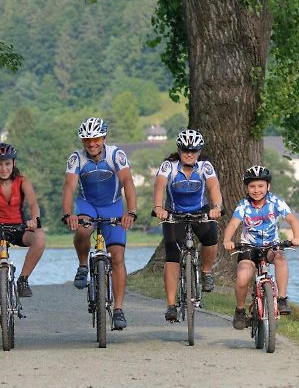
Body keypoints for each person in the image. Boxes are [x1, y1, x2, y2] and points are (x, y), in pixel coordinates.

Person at [62, 117, 137, 330]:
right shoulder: (76, 158)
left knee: (118, 257)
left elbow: (127, 182)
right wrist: (68, 214)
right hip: (87, 205)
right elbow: (69, 187)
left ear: (103, 137)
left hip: (112, 206)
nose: (91, 144)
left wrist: (130, 211)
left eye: (95, 139)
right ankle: (83, 266)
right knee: (84, 229)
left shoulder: (116, 155)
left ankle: (119, 310)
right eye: (87, 140)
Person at [153, 129, 223, 321]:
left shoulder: (204, 166)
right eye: (185, 150)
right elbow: (159, 185)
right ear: (179, 150)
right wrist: (159, 208)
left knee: (211, 237)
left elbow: (214, 187)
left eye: (193, 150)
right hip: (174, 213)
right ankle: (171, 305)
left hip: (200, 211)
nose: (189, 154)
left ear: (199, 151)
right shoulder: (169, 166)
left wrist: (216, 207)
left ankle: (207, 271)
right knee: (173, 256)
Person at [223, 165, 299, 330]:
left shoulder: (275, 202)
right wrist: (227, 240)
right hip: (248, 248)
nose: (256, 190)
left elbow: (293, 220)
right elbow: (233, 224)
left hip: (271, 246)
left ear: (268, 186)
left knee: (280, 258)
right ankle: (239, 310)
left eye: (260, 186)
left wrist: (296, 237)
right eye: (252, 186)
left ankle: (281, 299)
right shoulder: (244, 205)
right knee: (243, 276)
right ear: (247, 188)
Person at [0, 143, 45, 298]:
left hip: (18, 227)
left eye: (7, 164)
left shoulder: (22, 181)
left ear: (14, 163)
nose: (3, 168)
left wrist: (35, 220)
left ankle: (23, 280)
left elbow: (33, 204)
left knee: (39, 237)